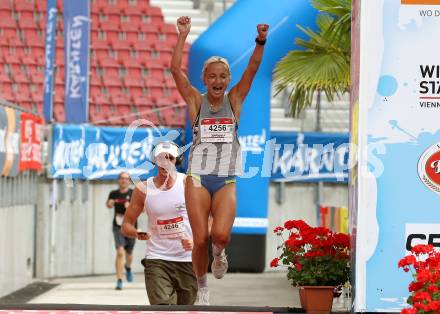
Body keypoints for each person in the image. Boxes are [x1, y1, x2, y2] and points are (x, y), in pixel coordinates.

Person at [171, 16, 269, 305]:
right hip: (198, 178)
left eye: (222, 76)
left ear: (227, 80)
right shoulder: (196, 101)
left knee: (221, 236)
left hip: (225, 179)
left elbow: (252, 69)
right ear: (204, 79)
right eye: (211, 76)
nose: (217, 81)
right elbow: (175, 70)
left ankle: (219, 254)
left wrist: (261, 40)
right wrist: (182, 35)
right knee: (200, 238)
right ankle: (202, 287)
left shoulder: (235, 99)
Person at [121, 141, 197, 305]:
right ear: (155, 160)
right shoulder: (143, 189)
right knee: (162, 309)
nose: (166, 162)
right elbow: (126, 225)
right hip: (157, 259)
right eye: (162, 158)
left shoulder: (188, 184)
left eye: (170, 158)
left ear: (177, 161)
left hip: (187, 261)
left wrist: (196, 241)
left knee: (187, 309)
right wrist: (136, 233)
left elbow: (210, 218)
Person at [106, 172, 135, 290]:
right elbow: (108, 205)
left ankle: (128, 268)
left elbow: (142, 209)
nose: (124, 181)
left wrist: (131, 206)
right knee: (120, 252)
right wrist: (110, 203)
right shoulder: (113, 193)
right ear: (118, 180)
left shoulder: (133, 193)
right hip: (118, 226)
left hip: (131, 226)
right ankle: (119, 279)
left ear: (129, 181)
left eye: (126, 179)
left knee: (129, 253)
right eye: (122, 179)